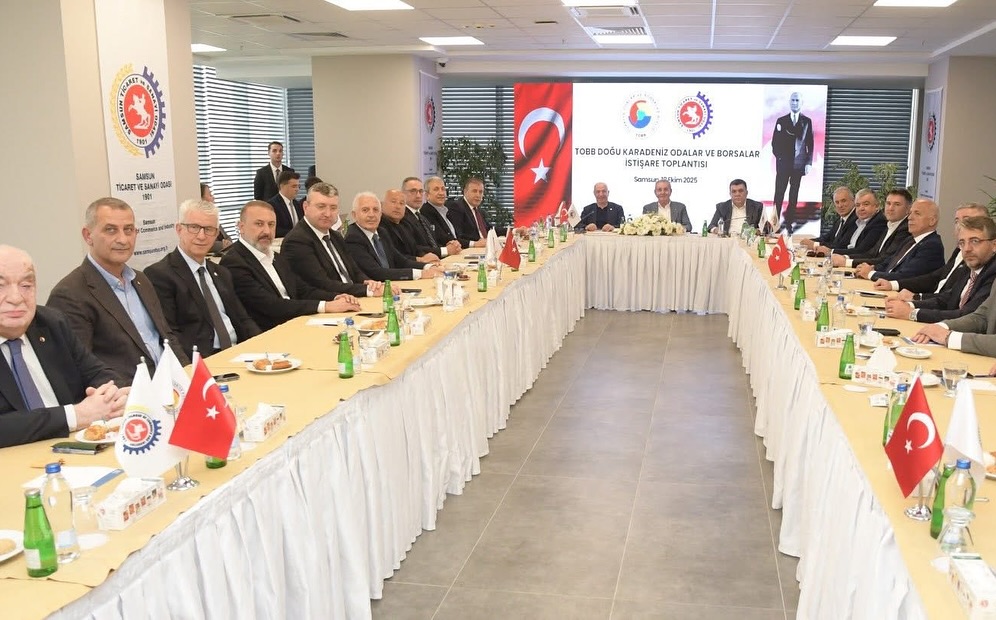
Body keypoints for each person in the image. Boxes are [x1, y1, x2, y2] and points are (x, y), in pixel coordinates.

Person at [48, 198, 189, 385]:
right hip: (128, 395)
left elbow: (166, 337)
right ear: (88, 235)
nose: (123, 239)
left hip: (172, 386)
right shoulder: (70, 294)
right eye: (110, 230)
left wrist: (189, 374)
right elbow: (80, 368)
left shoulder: (141, 280)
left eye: (128, 230)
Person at [0, 245, 129, 448]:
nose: (16, 298)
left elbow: (98, 373)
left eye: (26, 285)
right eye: (1, 286)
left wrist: (115, 395)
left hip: (76, 449)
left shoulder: (51, 323)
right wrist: (76, 415)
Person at [220, 201, 361, 332]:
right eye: (259, 224)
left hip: (296, 323)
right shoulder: (234, 262)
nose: (267, 231)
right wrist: (326, 306)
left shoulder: (276, 257)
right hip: (269, 333)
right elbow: (270, 305)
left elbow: (302, 290)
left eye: (271, 224)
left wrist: (336, 297)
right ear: (241, 227)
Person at [144, 199, 260, 357]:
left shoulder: (221, 272)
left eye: (209, 229)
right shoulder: (160, 275)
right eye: (194, 227)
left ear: (216, 234)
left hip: (239, 353)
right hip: (203, 359)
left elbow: (243, 319)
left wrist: (262, 347)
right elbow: (170, 334)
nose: (201, 236)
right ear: (179, 229)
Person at [279, 182, 387, 298]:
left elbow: (355, 272)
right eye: (321, 207)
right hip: (330, 302)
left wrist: (369, 283)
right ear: (306, 207)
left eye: (333, 208)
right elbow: (323, 283)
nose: (328, 214)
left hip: (353, 297)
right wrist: (368, 291)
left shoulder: (335, 236)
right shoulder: (297, 241)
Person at [885, 216, 996, 323]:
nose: (967, 249)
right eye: (962, 243)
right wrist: (909, 305)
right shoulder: (969, 268)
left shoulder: (992, 273)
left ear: (994, 245)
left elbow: (968, 316)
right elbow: (947, 299)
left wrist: (912, 313)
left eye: (975, 241)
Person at [874, 203, 990, 295]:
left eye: (967, 220)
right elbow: (935, 277)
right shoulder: (958, 251)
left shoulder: (933, 245)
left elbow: (950, 299)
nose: (960, 225)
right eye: (956, 221)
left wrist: (915, 302)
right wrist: (893, 285)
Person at [344, 192, 442, 282]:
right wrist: (420, 273)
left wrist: (428, 267)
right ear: (354, 215)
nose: (371, 215)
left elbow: (401, 261)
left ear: (380, 214)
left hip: (394, 285)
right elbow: (376, 273)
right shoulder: (353, 238)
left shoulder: (382, 232)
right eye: (365, 210)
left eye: (375, 210)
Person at [854, 198, 945, 281]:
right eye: (910, 213)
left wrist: (870, 274)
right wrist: (871, 268)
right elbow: (888, 263)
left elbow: (906, 276)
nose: (910, 218)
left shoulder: (932, 246)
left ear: (932, 221)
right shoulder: (909, 240)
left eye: (917, 214)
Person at [832, 189, 911, 269]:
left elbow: (885, 259)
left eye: (897, 204)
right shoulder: (890, 225)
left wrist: (846, 262)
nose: (890, 208)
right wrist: (845, 258)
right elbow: (871, 253)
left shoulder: (905, 229)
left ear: (908, 209)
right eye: (888, 203)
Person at [771, 91, 814, 233]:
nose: (794, 103)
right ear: (789, 102)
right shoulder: (781, 121)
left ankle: (789, 223)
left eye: (797, 100)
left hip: (798, 164)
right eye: (793, 100)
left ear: (801, 103)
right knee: (779, 194)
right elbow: (775, 143)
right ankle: (774, 223)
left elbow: (810, 144)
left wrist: (808, 163)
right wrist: (780, 157)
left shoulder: (807, 121)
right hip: (783, 164)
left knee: (793, 195)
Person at [402, 176, 461, 258]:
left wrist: (450, 244)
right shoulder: (402, 216)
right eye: (413, 191)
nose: (418, 195)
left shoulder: (421, 217)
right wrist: (445, 250)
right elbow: (414, 248)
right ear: (403, 194)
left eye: (420, 191)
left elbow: (433, 243)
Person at [815, 189, 886, 255]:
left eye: (866, 204)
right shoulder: (860, 222)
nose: (861, 208)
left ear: (877, 206)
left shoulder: (878, 222)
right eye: (858, 205)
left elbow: (862, 251)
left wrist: (831, 252)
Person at [380, 189, 439, 263]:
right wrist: (420, 259)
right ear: (381, 205)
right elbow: (395, 257)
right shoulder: (380, 227)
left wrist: (426, 256)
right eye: (393, 202)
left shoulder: (405, 224)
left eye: (401, 203)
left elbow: (414, 248)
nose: (398, 206)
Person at [800, 187, 856, 252]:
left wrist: (815, 244)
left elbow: (842, 246)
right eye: (837, 202)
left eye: (843, 201)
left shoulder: (856, 220)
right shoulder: (840, 220)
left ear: (853, 200)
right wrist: (809, 241)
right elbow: (827, 238)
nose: (840, 205)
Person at [446, 178, 492, 248]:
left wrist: (509, 230)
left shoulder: (479, 211)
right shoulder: (457, 207)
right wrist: (475, 244)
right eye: (474, 191)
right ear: (465, 192)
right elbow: (457, 237)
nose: (478, 195)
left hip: (485, 247)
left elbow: (489, 230)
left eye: (480, 192)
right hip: (471, 249)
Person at [420, 176, 463, 248]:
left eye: (443, 189)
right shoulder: (426, 212)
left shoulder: (447, 210)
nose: (441, 193)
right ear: (427, 195)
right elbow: (441, 238)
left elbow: (457, 235)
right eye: (436, 189)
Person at [268, 170, 304, 238]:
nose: (297, 189)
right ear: (282, 186)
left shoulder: (297, 204)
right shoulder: (272, 205)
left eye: (298, 186)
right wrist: (296, 233)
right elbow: (274, 229)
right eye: (294, 186)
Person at [201, 183, 233, 253]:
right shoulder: (199, 220)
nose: (213, 198)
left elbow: (228, 237)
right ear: (202, 199)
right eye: (210, 195)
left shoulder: (213, 218)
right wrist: (222, 245)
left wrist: (228, 243)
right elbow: (204, 243)